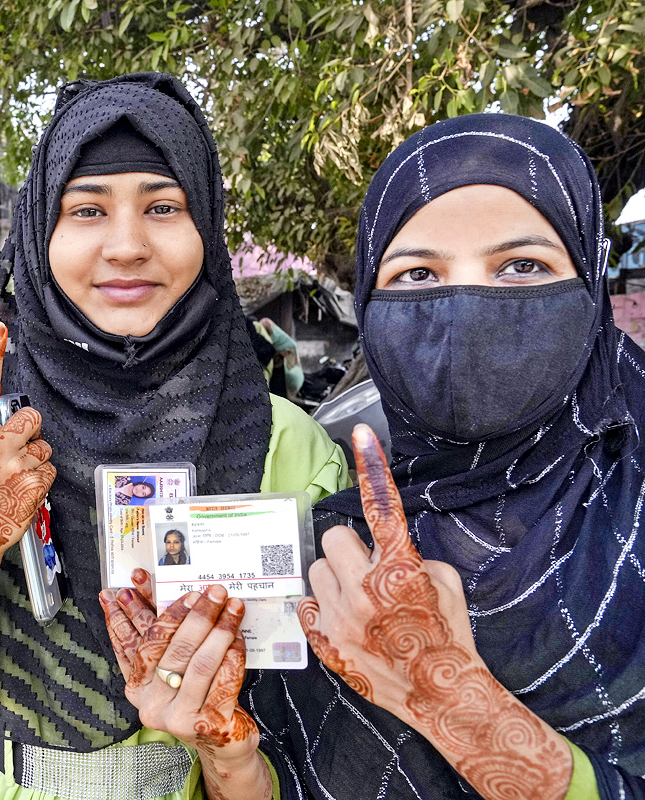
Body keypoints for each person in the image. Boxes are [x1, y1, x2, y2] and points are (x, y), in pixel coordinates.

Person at [0, 73, 349, 800]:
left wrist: (223, 746)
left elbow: (301, 719)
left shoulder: (286, 443)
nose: (126, 246)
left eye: (163, 207)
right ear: (37, 230)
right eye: (86, 209)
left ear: (206, 225)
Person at [230, 114, 645, 799]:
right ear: (369, 297)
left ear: (592, 284)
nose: (465, 311)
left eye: (523, 266)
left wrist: (455, 707)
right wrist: (228, 759)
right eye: (417, 273)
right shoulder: (332, 552)